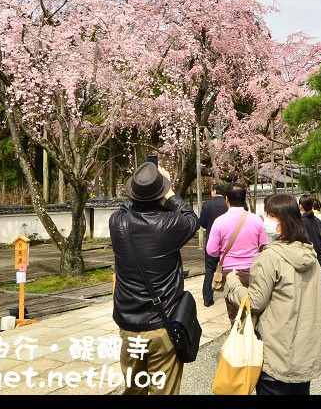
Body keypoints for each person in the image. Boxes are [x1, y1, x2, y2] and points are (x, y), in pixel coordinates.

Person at [109, 161, 199, 395]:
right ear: (160, 193)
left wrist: (143, 183)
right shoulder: (170, 224)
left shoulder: (117, 223)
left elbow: (126, 206)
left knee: (134, 389)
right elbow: (191, 217)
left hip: (129, 325)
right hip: (162, 324)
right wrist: (168, 191)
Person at [224, 193, 321, 395]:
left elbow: (255, 302)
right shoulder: (310, 254)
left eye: (269, 216)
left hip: (276, 352)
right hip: (305, 352)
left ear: (282, 222)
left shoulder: (269, 257)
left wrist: (233, 283)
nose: (266, 221)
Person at [206, 183, 269, 324]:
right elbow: (264, 245)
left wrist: (222, 252)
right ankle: (255, 339)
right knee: (254, 309)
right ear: (245, 198)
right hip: (252, 270)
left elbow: (211, 250)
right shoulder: (256, 220)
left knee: (235, 314)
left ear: (226, 199)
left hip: (230, 273)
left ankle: (239, 341)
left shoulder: (219, 222)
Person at [298, 195, 321, 329]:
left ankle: (311, 319)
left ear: (301, 206)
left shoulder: (300, 221)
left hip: (306, 256)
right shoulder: (316, 220)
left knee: (307, 288)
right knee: (320, 288)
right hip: (318, 256)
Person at [198, 182, 228, 307]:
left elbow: (202, 223)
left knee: (209, 270)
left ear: (214, 191)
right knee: (228, 269)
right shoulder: (228, 205)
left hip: (212, 241)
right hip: (227, 242)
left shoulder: (207, 204)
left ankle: (208, 298)